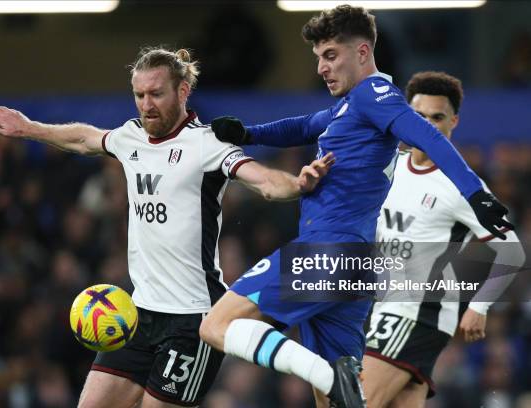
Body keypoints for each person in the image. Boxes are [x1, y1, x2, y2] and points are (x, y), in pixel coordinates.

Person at [0, 47, 334, 408]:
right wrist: (29, 128)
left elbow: (263, 181)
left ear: (182, 91)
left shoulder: (206, 144)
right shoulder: (131, 136)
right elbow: (85, 138)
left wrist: (297, 185)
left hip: (194, 321)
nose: (147, 104)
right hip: (137, 315)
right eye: (139, 95)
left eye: (156, 94)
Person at [199, 5, 513, 408]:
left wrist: (474, 193)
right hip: (354, 267)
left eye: (330, 55)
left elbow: (427, 137)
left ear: (363, 52)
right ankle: (334, 375)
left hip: (328, 252)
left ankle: (324, 371)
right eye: (318, 58)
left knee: (217, 325)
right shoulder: (349, 106)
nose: (321, 68)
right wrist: (247, 133)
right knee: (337, 402)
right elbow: (303, 125)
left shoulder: (374, 94)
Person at [362, 71, 526, 408]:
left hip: (418, 312)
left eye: (437, 117)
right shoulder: (387, 167)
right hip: (383, 306)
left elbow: (511, 250)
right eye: (418, 117)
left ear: (454, 122)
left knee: (354, 400)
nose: (427, 125)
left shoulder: (463, 185)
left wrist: (479, 307)